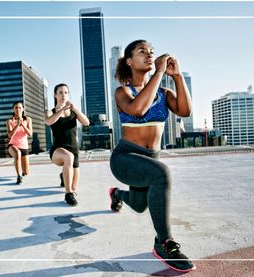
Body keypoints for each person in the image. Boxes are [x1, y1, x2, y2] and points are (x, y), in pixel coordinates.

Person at [109, 39, 195, 272]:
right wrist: (159, 71)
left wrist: (176, 76)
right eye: (142, 52)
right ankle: (164, 243)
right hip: (125, 158)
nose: (149, 55)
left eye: (152, 52)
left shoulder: (164, 93)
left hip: (150, 158)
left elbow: (185, 111)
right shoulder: (123, 91)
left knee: (138, 206)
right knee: (162, 174)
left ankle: (116, 193)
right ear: (129, 61)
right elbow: (138, 109)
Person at [45, 83, 90, 206]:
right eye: (60, 92)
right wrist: (61, 110)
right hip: (57, 151)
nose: (63, 95)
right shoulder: (51, 112)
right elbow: (49, 121)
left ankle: (64, 176)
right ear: (55, 95)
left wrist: (75, 109)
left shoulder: (73, 111)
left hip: (74, 150)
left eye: (66, 92)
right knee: (68, 157)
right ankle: (68, 194)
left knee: (74, 187)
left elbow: (86, 123)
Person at [6, 101, 32, 184]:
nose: (18, 109)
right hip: (13, 145)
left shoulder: (28, 119)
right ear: (13, 110)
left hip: (24, 146)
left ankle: (22, 173)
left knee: (27, 172)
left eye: (20, 107)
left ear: (23, 109)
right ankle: (19, 176)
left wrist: (23, 124)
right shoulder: (10, 121)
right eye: (16, 108)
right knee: (17, 153)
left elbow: (30, 134)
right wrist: (17, 125)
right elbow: (10, 135)